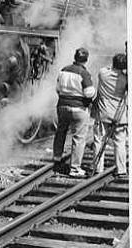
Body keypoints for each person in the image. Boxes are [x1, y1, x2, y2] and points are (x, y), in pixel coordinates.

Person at [53, 47, 96, 177]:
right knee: (79, 137)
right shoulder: (84, 73)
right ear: (86, 59)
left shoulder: (63, 70)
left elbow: (57, 88)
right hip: (79, 108)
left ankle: (56, 159)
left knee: (60, 132)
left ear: (75, 57)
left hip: (62, 106)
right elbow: (89, 93)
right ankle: (75, 168)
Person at [92, 53, 128, 177]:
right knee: (120, 143)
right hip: (120, 115)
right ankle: (121, 169)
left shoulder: (103, 73)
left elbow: (106, 68)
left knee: (99, 140)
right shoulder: (125, 79)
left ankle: (98, 168)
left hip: (103, 113)